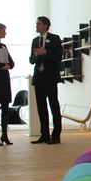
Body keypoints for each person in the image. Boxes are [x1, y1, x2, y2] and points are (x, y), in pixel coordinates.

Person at [29, 15, 63, 144]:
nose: (36, 26)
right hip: (39, 77)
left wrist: (46, 52)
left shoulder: (54, 38)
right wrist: (35, 56)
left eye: (39, 24)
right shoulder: (35, 41)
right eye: (36, 24)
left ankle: (56, 135)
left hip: (50, 77)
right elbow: (31, 60)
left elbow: (59, 57)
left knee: (53, 105)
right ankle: (44, 134)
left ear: (45, 26)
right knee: (41, 107)